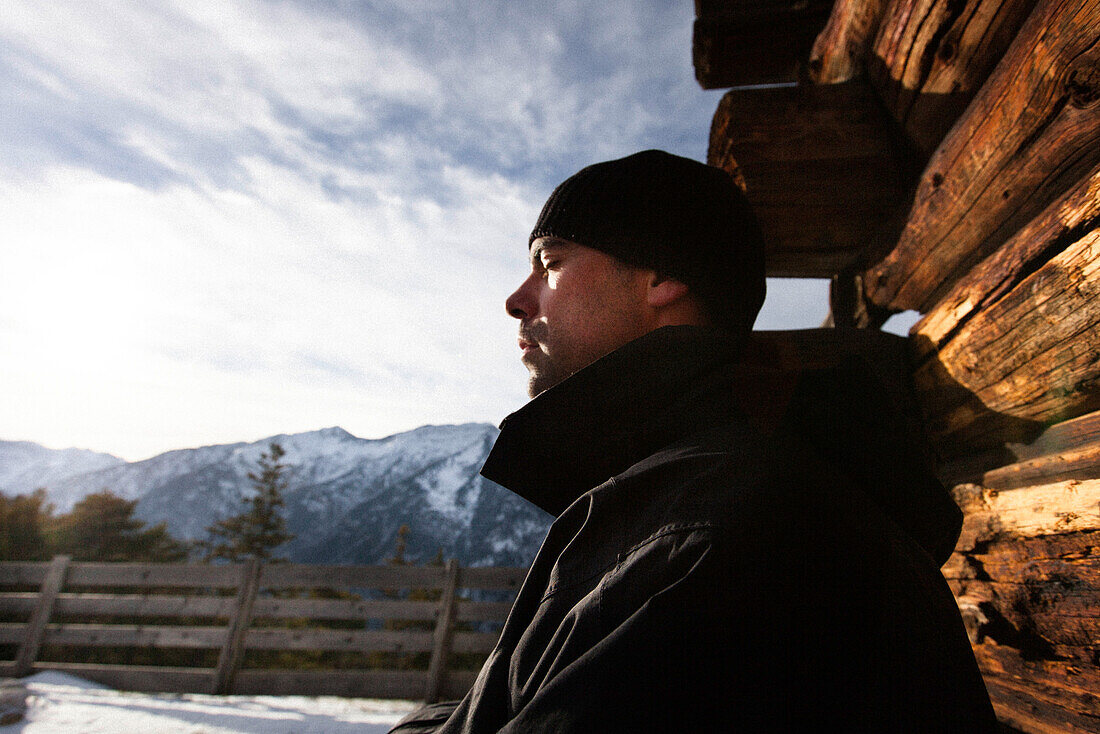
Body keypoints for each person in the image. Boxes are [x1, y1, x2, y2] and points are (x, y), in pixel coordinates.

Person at [390, 150, 997, 732]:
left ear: (664, 277)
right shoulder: (691, 493)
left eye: (550, 262)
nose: (517, 300)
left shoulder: (714, 531)